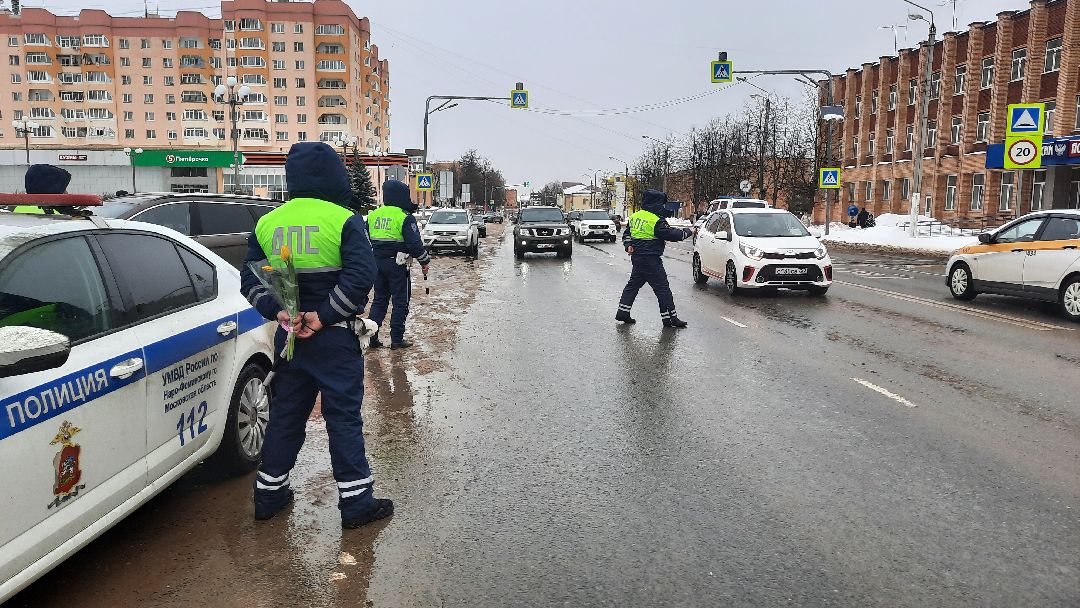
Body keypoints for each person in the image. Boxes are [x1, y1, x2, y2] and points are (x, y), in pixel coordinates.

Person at [239, 141, 392, 529]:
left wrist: (282, 314)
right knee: (342, 418)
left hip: (289, 338)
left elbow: (250, 280)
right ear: (333, 176)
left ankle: (268, 496)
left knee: (287, 415)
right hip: (334, 338)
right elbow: (360, 277)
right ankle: (357, 504)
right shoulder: (344, 220)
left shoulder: (268, 222)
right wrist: (321, 318)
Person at [366, 179, 431, 349]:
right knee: (400, 302)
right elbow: (415, 245)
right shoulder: (404, 217)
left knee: (379, 301)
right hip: (397, 265)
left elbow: (364, 241)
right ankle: (396, 339)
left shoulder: (373, 215)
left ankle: (372, 337)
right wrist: (424, 261)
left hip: (377, 265)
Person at [616, 189, 693, 328]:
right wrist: (689, 231)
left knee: (632, 286)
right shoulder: (655, 219)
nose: (663, 207)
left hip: (637, 259)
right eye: (661, 204)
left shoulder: (635, 217)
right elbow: (672, 235)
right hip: (651, 260)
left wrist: (628, 246)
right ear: (655, 203)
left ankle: (623, 312)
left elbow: (626, 234)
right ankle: (670, 319)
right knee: (662, 289)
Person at [8, 164, 72, 214]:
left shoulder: (17, 209)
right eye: (63, 189)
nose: (66, 193)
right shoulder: (59, 215)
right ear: (51, 190)